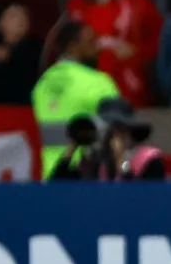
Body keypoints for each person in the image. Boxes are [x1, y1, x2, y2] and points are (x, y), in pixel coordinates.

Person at [33, 20, 121, 180]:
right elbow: (119, 133)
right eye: (91, 42)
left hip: (51, 178)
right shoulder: (100, 83)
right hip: (87, 178)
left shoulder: (42, 84)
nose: (98, 47)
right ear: (72, 47)